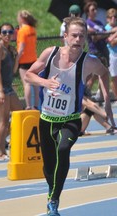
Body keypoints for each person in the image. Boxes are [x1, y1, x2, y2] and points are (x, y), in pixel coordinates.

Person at [25, 17, 115, 215]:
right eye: (74, 35)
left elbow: (104, 73)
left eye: (81, 36)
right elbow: (28, 74)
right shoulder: (50, 54)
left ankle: (54, 200)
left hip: (71, 120)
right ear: (65, 36)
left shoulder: (89, 61)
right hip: (47, 120)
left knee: (64, 148)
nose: (77, 39)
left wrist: (107, 99)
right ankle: (52, 194)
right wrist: (45, 83)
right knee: (48, 166)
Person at [0, 23, 23, 161]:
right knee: (4, 120)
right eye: (4, 32)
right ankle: (1, 152)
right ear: (0, 34)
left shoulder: (11, 49)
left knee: (21, 114)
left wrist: (18, 57)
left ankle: (1, 142)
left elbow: (14, 71)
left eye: (10, 32)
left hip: (8, 85)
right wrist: (1, 91)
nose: (7, 35)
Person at [84, 1, 109, 100]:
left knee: (101, 74)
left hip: (103, 50)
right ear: (88, 12)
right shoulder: (87, 23)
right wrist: (103, 34)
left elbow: (105, 34)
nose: (95, 11)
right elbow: (95, 38)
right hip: (95, 51)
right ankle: (86, 95)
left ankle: (99, 96)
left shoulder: (99, 23)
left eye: (95, 9)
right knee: (94, 75)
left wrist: (102, 34)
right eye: (92, 10)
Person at [16, 10, 39, 110]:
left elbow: (21, 48)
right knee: (35, 84)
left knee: (27, 84)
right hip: (33, 58)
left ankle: (29, 105)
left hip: (24, 60)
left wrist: (16, 60)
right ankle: (37, 105)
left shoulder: (22, 31)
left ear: (21, 19)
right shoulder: (32, 29)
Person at [105, 8, 117, 99]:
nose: (113, 19)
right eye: (111, 17)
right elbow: (112, 43)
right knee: (114, 78)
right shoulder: (107, 29)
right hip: (112, 56)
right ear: (107, 18)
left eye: (115, 17)